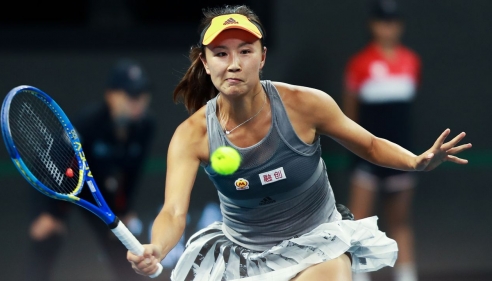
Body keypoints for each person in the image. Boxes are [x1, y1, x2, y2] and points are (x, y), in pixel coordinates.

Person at [127, 4, 471, 281]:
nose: (233, 64)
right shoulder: (193, 135)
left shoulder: (305, 105)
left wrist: (415, 161)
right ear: (204, 62)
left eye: (245, 51)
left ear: (262, 57)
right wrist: (157, 246)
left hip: (317, 241)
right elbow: (173, 211)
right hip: (244, 257)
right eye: (220, 54)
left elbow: (368, 144)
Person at [27, 58, 157, 281]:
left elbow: (132, 173)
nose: (139, 102)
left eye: (142, 94)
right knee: (48, 236)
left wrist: (124, 209)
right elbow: (59, 162)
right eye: (131, 95)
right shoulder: (88, 122)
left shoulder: (146, 127)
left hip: (102, 189)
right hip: (65, 183)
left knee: (121, 243)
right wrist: (51, 212)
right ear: (111, 96)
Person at [343, 1, 421, 280]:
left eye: (393, 22)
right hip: (366, 156)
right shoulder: (359, 64)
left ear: (399, 26)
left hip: (400, 156)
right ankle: (358, 275)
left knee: (400, 219)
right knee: (359, 221)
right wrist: (358, 150)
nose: (388, 28)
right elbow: (349, 115)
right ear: (373, 25)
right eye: (382, 22)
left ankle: (406, 275)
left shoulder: (411, 61)